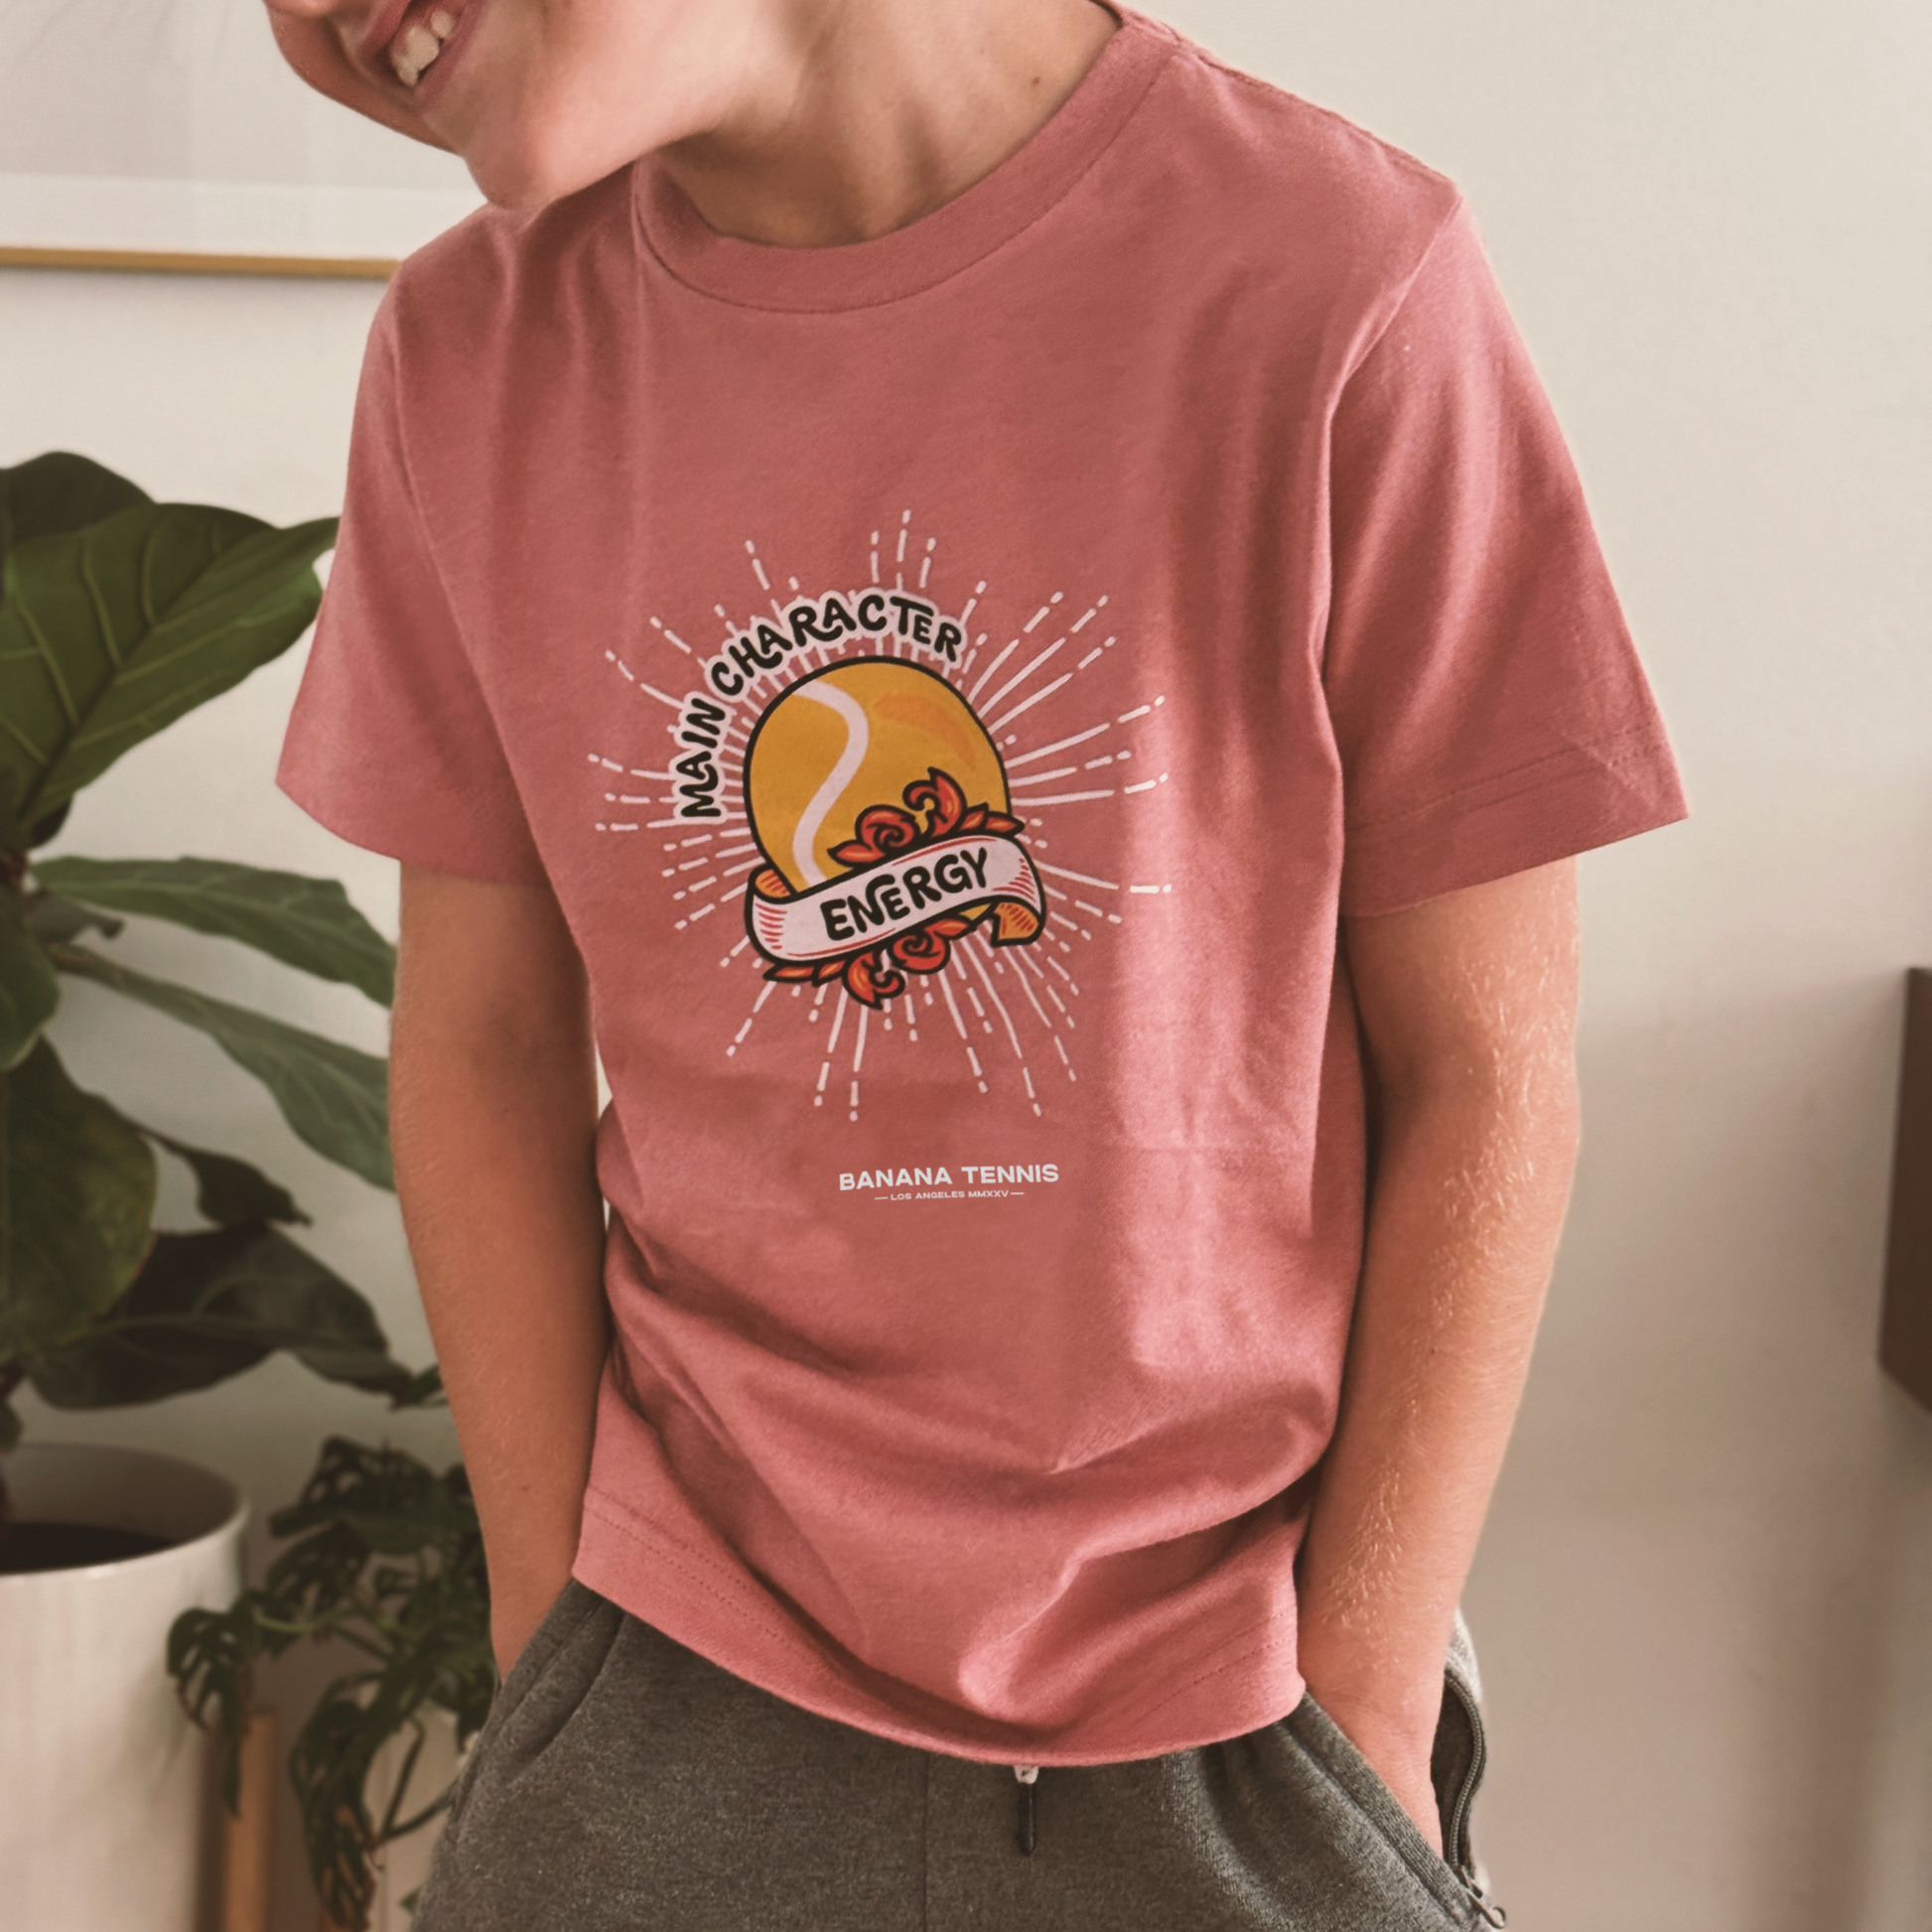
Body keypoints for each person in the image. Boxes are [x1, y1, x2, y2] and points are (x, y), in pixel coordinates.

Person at [267, 1, 1687, 1925]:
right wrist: (552, 1637)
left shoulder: (1336, 275)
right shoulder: (467, 353)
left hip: (1241, 1710)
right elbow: (481, 1043)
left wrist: (1355, 1690)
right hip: (668, 1687)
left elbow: (1488, 1067)